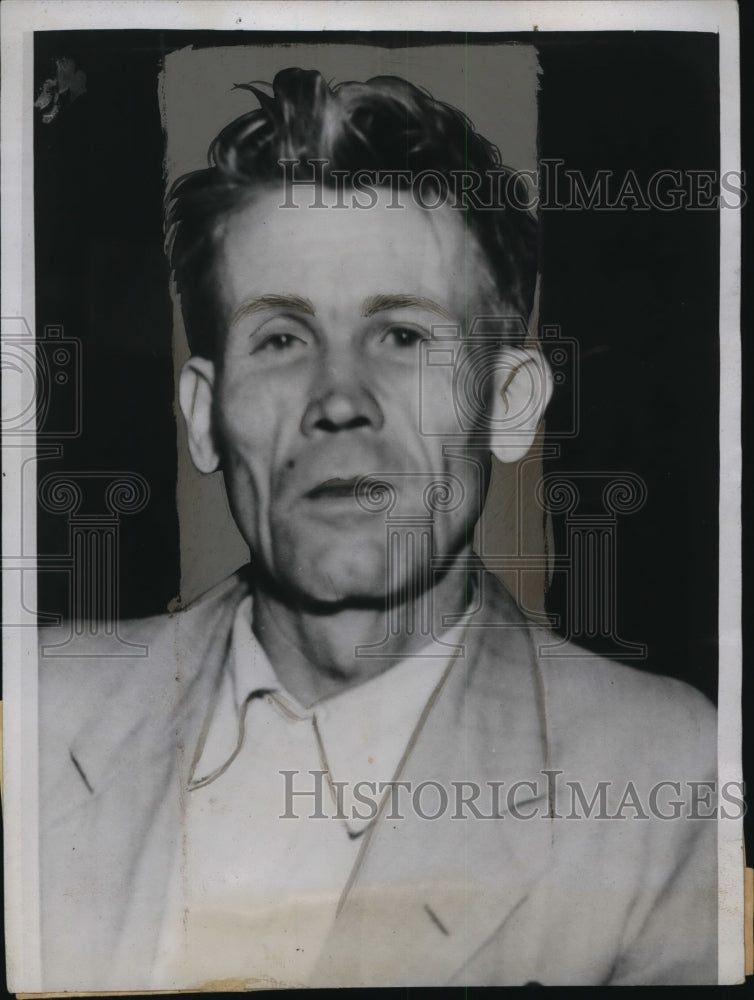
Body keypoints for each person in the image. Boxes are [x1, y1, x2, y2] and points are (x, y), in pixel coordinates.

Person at [39, 68, 716, 990]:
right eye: (280, 338)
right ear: (203, 415)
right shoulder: (35, 716)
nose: (339, 401)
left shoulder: (668, 783)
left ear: (509, 403)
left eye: (403, 335)